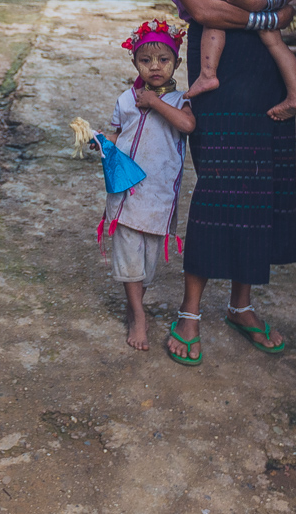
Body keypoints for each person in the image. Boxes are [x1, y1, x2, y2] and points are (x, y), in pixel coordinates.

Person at [152, 0, 296, 367]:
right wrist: (273, 17)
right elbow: (204, 11)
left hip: (263, 69)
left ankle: (242, 305)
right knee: (219, 184)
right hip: (221, 69)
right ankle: (190, 311)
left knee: (259, 181)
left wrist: (283, 5)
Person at [95, 20, 196, 352]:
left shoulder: (181, 99)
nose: (155, 67)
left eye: (163, 60)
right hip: (125, 193)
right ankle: (138, 315)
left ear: (176, 63)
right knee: (129, 255)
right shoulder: (126, 100)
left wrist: (154, 102)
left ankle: (134, 301)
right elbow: (114, 133)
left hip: (158, 195)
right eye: (146, 60)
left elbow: (187, 125)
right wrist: (101, 144)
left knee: (147, 260)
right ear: (134, 62)